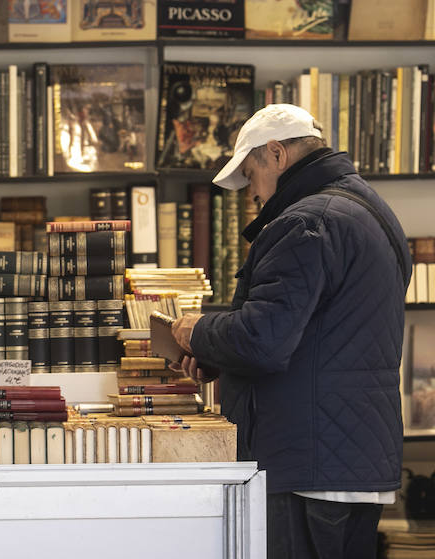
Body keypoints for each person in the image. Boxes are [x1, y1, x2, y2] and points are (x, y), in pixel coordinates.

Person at [169, 103, 410, 559]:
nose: (254, 196)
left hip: (307, 463)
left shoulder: (306, 222)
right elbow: (319, 330)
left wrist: (197, 331)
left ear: (277, 154)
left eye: (252, 178)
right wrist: (222, 354)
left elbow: (264, 339)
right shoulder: (371, 210)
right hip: (353, 460)